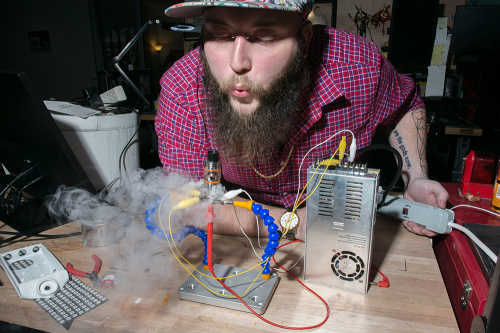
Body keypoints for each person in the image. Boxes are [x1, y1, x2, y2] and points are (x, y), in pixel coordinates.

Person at [155, 0, 449, 240]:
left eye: (264, 37)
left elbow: (405, 104)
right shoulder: (182, 90)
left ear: (304, 40)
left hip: (342, 232)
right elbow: (189, 205)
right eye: (220, 35)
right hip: (245, 237)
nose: (237, 63)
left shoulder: (359, 66)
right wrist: (292, 221)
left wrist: (416, 176)